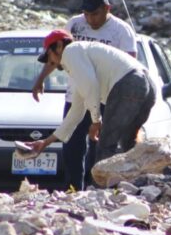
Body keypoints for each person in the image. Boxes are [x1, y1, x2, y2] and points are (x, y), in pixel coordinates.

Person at [32, 0, 137, 189]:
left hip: (106, 97)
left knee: (99, 148)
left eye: (95, 14)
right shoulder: (74, 25)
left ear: (107, 8)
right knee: (71, 146)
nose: (90, 19)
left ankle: (95, 189)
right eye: (87, 14)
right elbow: (55, 52)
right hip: (77, 94)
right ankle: (73, 190)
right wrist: (41, 79)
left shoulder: (122, 31)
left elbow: (129, 67)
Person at [25, 29, 154, 170]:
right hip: (148, 86)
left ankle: (103, 190)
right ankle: (139, 183)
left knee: (106, 144)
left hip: (129, 84)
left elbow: (91, 86)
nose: (51, 62)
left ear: (59, 45)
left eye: (49, 55)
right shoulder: (82, 62)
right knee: (129, 142)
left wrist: (96, 121)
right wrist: (46, 142)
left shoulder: (71, 51)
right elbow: (76, 111)